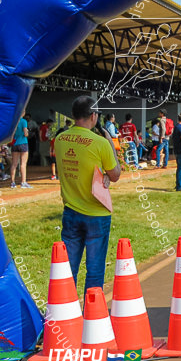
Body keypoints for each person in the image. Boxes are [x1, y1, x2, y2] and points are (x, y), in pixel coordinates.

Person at [56, 96, 121, 292]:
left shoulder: (60, 139)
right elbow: (115, 174)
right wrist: (111, 143)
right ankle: (92, 315)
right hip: (97, 214)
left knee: (68, 269)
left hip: (70, 211)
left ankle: (67, 312)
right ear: (94, 116)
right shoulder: (100, 143)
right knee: (94, 269)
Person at [9, 113, 32, 189]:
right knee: (23, 164)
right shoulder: (23, 121)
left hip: (15, 143)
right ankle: (23, 182)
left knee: (14, 164)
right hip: (23, 143)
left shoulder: (13, 121)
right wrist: (27, 133)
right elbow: (25, 133)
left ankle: (12, 182)